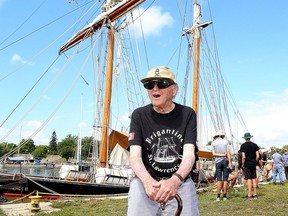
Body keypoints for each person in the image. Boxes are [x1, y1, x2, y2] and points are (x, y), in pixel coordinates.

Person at [127, 66, 199, 216]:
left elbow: (189, 155)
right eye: (149, 85)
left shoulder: (187, 114)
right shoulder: (138, 115)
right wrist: (148, 183)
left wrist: (174, 182)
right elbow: (134, 156)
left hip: (180, 183)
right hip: (145, 182)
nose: (155, 89)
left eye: (162, 84)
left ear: (174, 90)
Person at [211, 131, 231, 201]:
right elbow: (228, 153)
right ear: (222, 136)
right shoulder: (226, 142)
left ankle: (218, 197)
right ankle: (225, 196)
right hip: (225, 161)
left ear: (215, 136)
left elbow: (213, 154)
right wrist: (230, 163)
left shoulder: (213, 143)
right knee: (225, 179)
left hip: (218, 162)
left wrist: (221, 155)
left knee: (219, 179)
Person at [240, 132, 260, 199]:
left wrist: (243, 164)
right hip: (253, 164)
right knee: (254, 178)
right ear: (250, 137)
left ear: (245, 138)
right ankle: (255, 194)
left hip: (247, 164)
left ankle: (249, 195)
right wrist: (255, 162)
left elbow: (243, 157)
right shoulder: (255, 145)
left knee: (248, 179)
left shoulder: (243, 146)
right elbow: (257, 156)